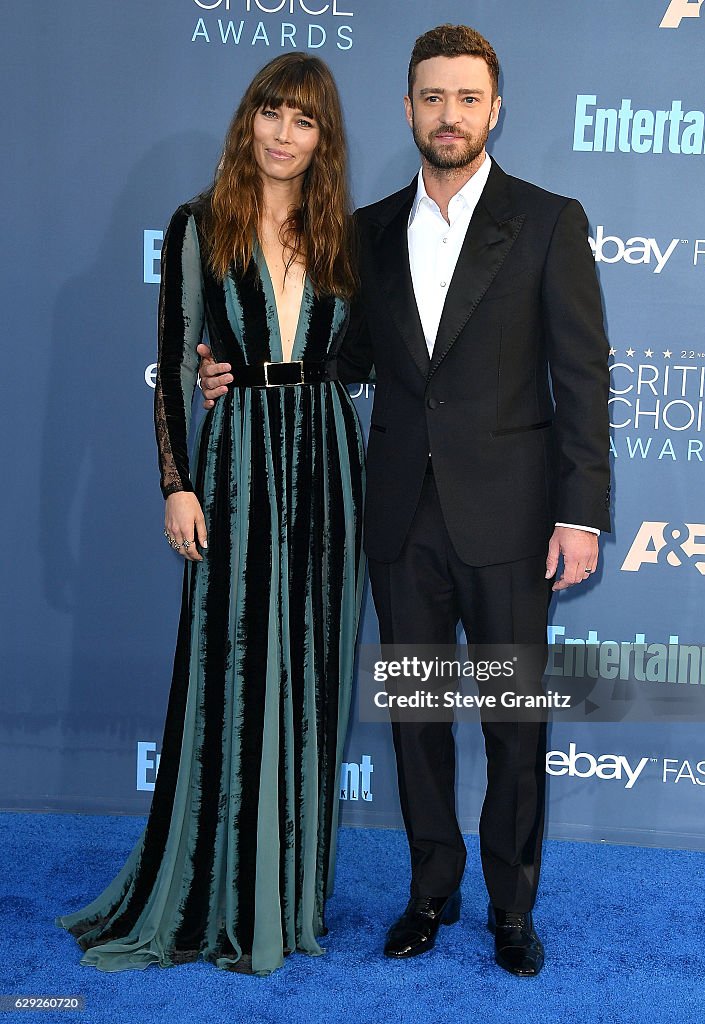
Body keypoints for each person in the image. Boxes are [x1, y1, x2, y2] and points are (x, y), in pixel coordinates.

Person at [200, 25, 611, 977]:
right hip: (395, 515)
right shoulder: (367, 229)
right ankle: (431, 890)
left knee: (513, 726)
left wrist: (579, 513)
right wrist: (232, 370)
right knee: (418, 721)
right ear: (407, 108)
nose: (449, 116)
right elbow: (338, 359)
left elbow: (581, 378)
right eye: (432, 98)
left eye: (467, 99)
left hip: (511, 520)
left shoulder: (548, 219)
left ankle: (512, 906)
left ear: (494, 108)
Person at [55, 53, 366, 976]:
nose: (282, 133)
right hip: (232, 469)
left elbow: (377, 355)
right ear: (248, 123)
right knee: (229, 670)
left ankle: (290, 893)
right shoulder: (200, 224)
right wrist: (176, 484)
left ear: (323, 139)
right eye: (270, 112)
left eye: (302, 120)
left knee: (309, 675)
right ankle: (216, 889)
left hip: (326, 466)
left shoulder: (344, 234)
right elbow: (169, 366)